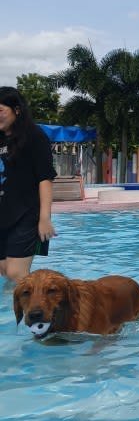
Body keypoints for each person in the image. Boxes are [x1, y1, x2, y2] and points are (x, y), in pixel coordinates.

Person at [0, 87, 57, 284]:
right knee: (5, 271)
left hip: (25, 214)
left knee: (17, 273)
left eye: (0, 110)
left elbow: (45, 178)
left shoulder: (34, 137)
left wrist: (44, 218)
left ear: (16, 109)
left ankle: (37, 310)